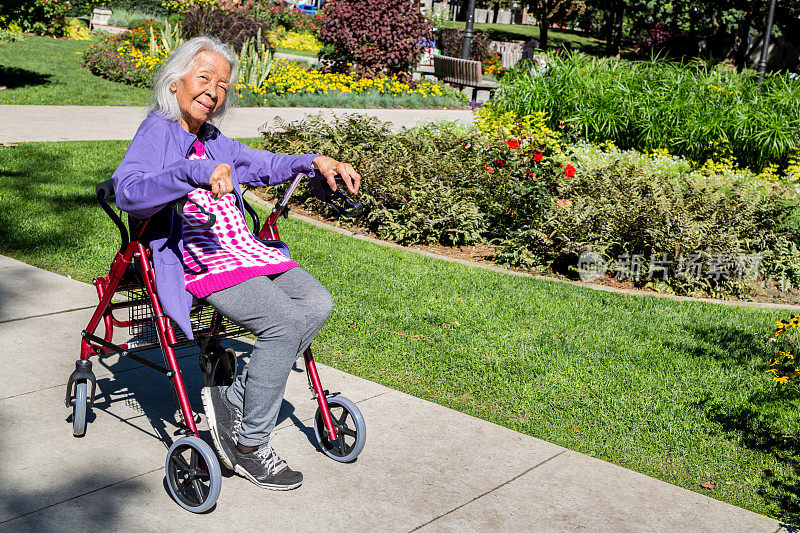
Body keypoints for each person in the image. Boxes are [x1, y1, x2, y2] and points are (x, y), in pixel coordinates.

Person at [112, 36, 361, 490]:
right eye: (203, 78)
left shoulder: (212, 138)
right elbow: (128, 190)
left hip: (243, 251)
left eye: (222, 85)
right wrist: (194, 172)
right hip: (200, 258)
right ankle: (248, 444)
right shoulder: (157, 132)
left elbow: (262, 163)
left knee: (318, 302)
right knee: (284, 323)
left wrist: (315, 161)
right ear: (175, 83)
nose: (213, 90)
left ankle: (236, 397)